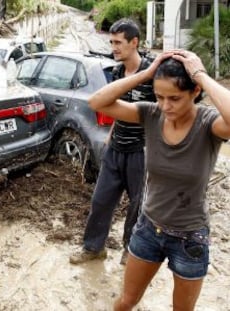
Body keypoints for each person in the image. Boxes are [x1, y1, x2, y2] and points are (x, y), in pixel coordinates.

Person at [88, 50, 230, 310]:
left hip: (190, 238)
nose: (166, 106)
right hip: (148, 229)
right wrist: (146, 72)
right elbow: (97, 102)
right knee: (126, 301)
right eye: (160, 96)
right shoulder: (151, 115)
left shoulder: (209, 124)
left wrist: (201, 74)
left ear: (195, 91)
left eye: (174, 98)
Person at [69, 18, 155, 265]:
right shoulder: (117, 72)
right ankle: (94, 247)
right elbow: (115, 106)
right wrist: (110, 135)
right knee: (101, 200)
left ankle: (131, 250)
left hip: (142, 151)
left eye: (118, 42)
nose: (114, 47)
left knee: (137, 205)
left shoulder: (152, 71)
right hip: (116, 148)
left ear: (134, 42)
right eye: (112, 42)